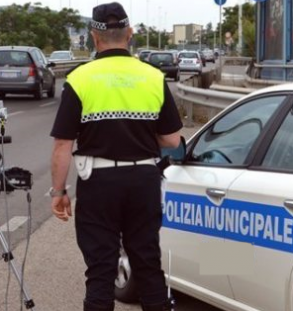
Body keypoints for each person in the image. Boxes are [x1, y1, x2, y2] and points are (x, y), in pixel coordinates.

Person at [49, 2, 182, 311]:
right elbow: (172, 139)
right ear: (130, 34)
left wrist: (59, 192)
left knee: (100, 270)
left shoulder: (80, 79)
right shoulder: (152, 77)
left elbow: (62, 145)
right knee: (148, 266)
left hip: (99, 183)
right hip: (144, 181)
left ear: (94, 37)